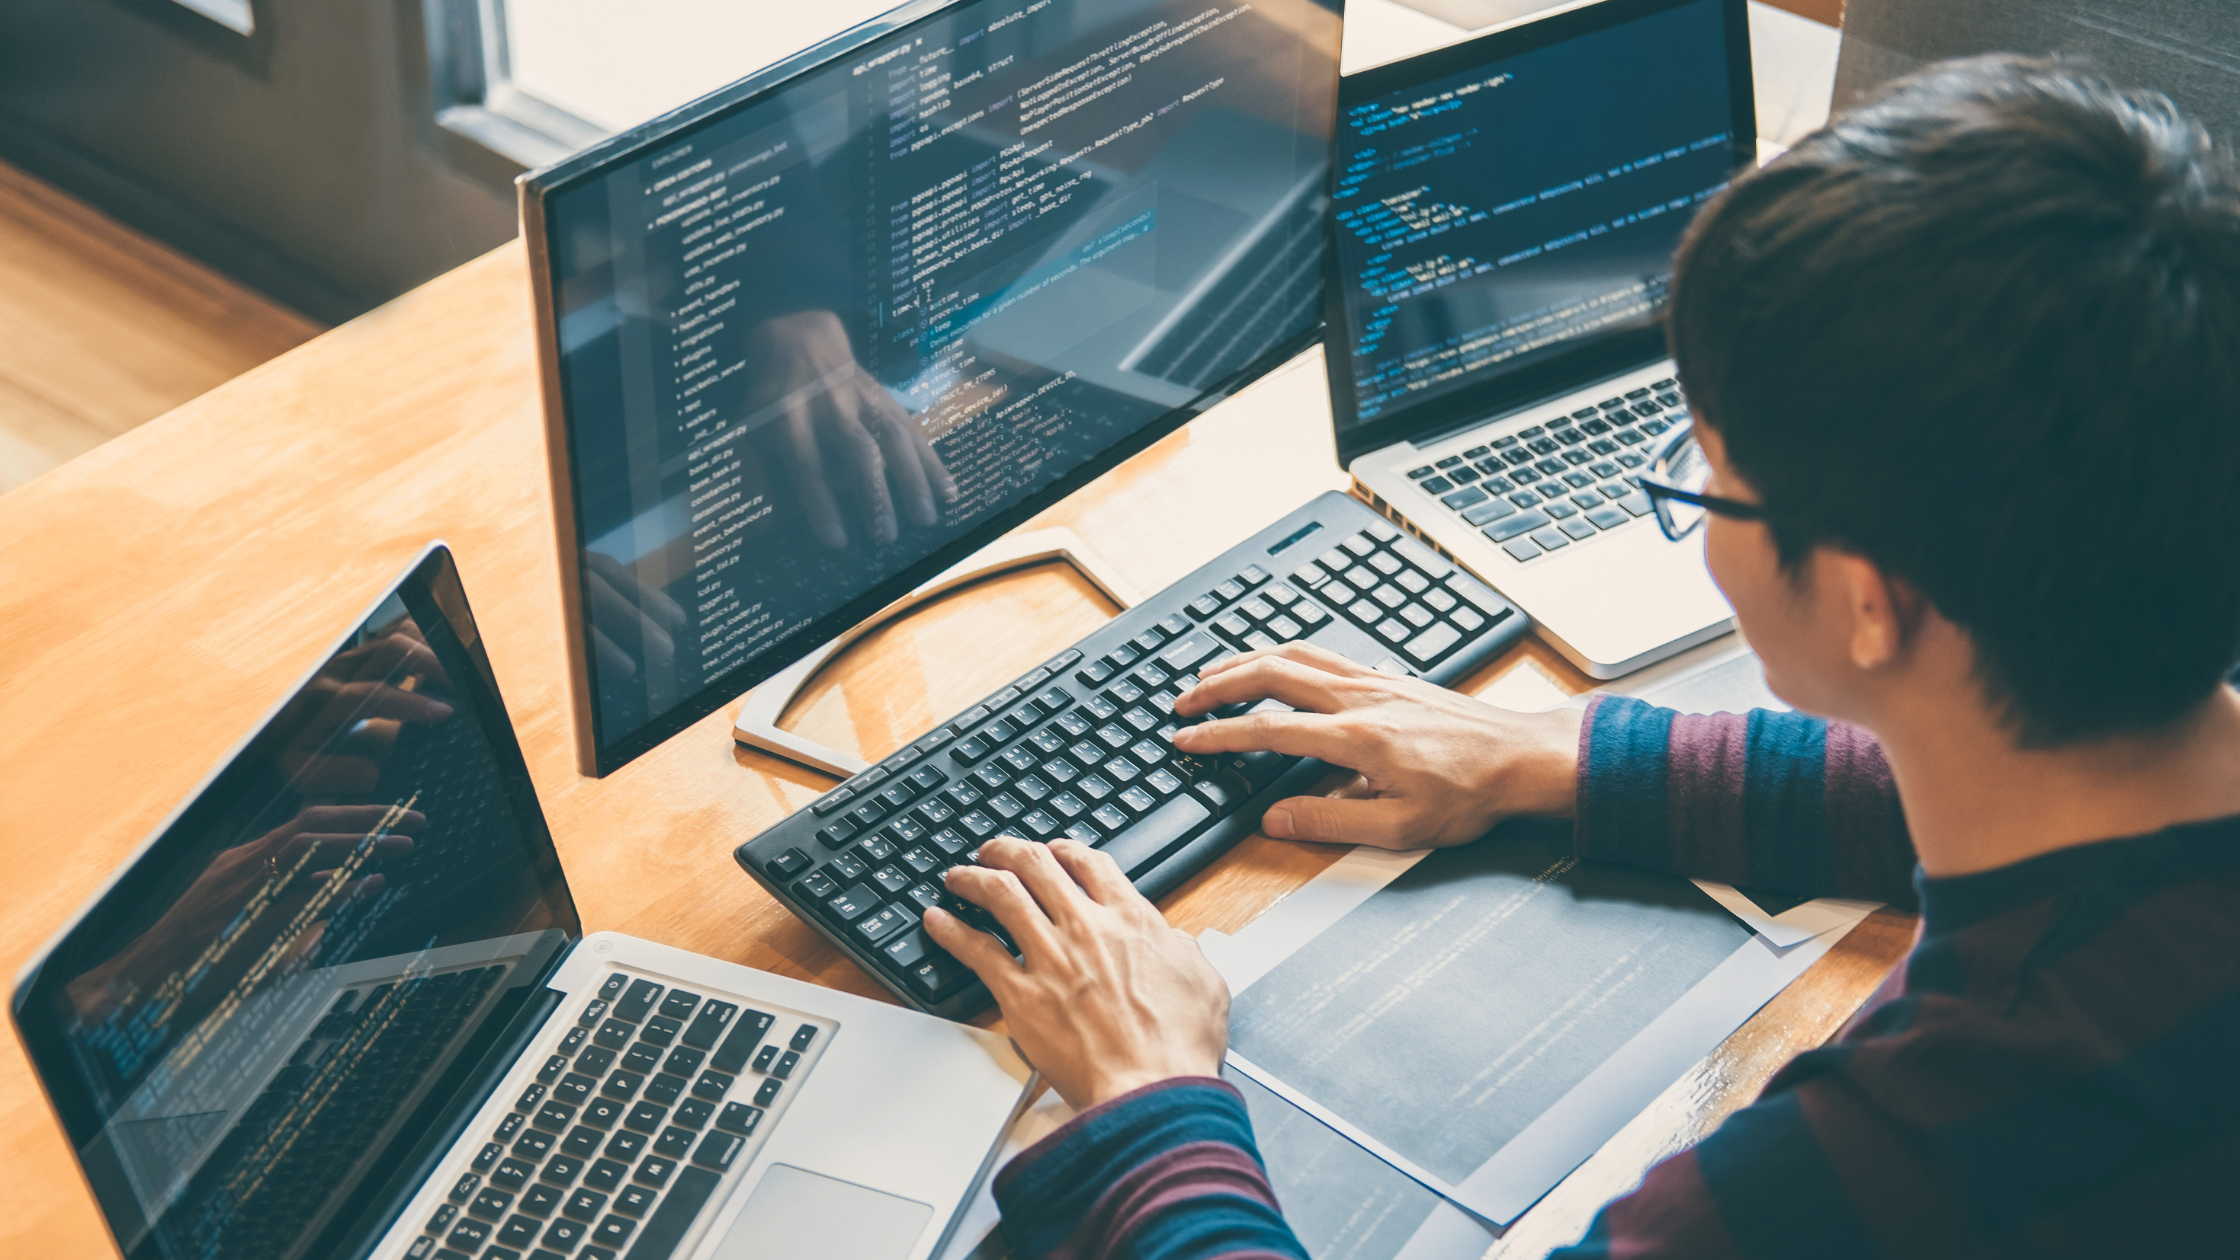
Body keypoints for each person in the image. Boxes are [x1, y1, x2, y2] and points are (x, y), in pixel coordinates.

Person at [918, 55, 2240, 1258]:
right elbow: (2020, 785)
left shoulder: (1904, 1154)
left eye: (1708, 478)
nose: (1696, 511)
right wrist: (1563, 752)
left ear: (1865, 603)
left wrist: (1151, 1102)